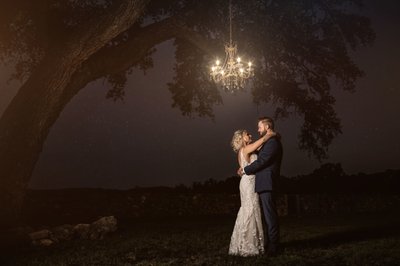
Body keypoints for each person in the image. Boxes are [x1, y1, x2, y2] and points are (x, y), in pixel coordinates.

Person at [237, 117, 283, 256]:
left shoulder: (272, 143)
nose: (257, 130)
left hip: (267, 182)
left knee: (270, 215)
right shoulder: (268, 142)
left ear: (267, 126)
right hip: (261, 183)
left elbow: (262, 161)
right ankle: (268, 243)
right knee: (265, 216)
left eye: (259, 127)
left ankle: (274, 246)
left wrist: (245, 170)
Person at [229, 129, 276, 256]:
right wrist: (269, 134)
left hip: (246, 181)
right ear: (242, 138)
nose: (250, 135)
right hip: (249, 182)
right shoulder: (248, 148)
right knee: (250, 210)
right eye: (247, 134)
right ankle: (249, 246)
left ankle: (243, 243)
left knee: (248, 209)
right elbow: (262, 140)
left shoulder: (244, 150)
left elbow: (260, 146)